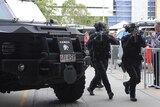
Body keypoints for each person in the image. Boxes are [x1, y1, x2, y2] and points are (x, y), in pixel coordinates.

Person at [87, 21, 119, 100]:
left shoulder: (106, 36)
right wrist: (95, 39)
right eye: (103, 27)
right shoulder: (93, 35)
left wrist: (109, 36)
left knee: (99, 75)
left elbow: (116, 42)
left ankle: (91, 87)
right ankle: (109, 92)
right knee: (103, 74)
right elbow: (88, 45)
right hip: (97, 58)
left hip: (105, 57)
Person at [121, 23, 146, 101]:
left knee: (137, 79)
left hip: (136, 59)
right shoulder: (125, 37)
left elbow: (144, 45)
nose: (135, 30)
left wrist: (139, 37)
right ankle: (132, 95)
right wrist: (130, 38)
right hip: (127, 60)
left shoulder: (138, 37)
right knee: (134, 77)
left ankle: (127, 84)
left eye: (136, 29)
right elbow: (125, 48)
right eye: (133, 29)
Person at [149, 22, 160, 86]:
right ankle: (155, 82)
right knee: (155, 68)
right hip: (154, 52)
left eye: (156, 27)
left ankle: (158, 82)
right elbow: (152, 43)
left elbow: (159, 43)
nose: (155, 28)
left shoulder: (154, 35)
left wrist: (154, 38)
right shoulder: (153, 33)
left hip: (159, 53)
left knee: (158, 68)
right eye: (154, 27)